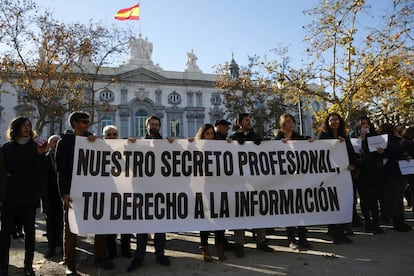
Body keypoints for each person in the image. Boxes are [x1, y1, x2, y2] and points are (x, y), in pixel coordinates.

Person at [56, 111, 114, 275]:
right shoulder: (65, 142)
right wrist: (64, 193)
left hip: (95, 190)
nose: (87, 124)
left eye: (88, 122)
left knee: (100, 223)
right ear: (75, 123)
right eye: (84, 122)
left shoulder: (94, 140)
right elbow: (61, 170)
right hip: (73, 191)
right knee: (71, 228)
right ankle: (70, 263)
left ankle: (100, 257)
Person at [0, 117, 48, 276]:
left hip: (29, 196)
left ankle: (28, 266)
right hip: (9, 198)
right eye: (23, 125)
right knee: (5, 234)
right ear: (16, 128)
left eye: (29, 125)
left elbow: (40, 171)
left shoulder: (35, 147)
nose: (27, 128)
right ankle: (3, 268)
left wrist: (41, 155)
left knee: (30, 234)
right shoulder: (6, 148)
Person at [127, 115, 171, 272]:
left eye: (156, 124)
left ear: (159, 126)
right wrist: (130, 146)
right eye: (151, 124)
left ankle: (160, 254)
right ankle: (139, 256)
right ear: (146, 126)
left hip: (160, 189)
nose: (154, 126)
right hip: (141, 188)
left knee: (160, 224)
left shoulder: (166, 143)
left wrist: (176, 144)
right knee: (141, 225)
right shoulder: (138, 144)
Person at [228, 113, 274, 257]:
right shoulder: (233, 137)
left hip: (255, 182)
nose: (249, 122)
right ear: (239, 123)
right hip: (239, 182)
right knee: (240, 212)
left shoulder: (255, 136)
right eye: (246, 120)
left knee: (259, 210)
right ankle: (239, 244)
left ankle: (261, 241)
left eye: (249, 120)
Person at [273, 113, 313, 249]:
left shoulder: (298, 137)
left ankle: (303, 238)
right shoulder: (277, 138)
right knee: (289, 209)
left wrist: (311, 141)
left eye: (292, 122)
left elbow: (307, 141)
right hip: (284, 180)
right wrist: (279, 144)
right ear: (283, 124)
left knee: (300, 209)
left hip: (298, 179)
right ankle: (291, 239)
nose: (291, 124)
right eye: (288, 122)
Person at [191, 124, 227, 262]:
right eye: (207, 134)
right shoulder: (196, 147)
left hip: (218, 187)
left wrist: (229, 143)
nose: (210, 136)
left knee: (219, 218)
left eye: (212, 133)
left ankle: (219, 247)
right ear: (202, 135)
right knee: (205, 219)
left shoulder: (219, 147)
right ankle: (204, 248)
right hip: (203, 188)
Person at [318, 112, 356, 244]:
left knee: (343, 202)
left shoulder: (345, 136)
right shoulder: (323, 136)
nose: (334, 122)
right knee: (332, 202)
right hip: (330, 176)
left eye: (336, 120)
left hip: (343, 175)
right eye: (331, 120)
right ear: (327, 123)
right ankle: (333, 232)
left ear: (340, 122)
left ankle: (342, 232)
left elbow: (351, 154)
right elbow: (319, 153)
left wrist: (352, 165)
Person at [101, 125, 132, 259]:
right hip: (107, 192)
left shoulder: (124, 148)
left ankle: (126, 249)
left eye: (114, 134)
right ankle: (112, 250)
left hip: (124, 192)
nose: (112, 137)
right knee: (109, 224)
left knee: (126, 222)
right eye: (109, 134)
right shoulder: (98, 149)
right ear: (104, 137)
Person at [351, 116, 384, 234]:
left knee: (374, 199)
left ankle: (376, 224)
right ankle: (368, 223)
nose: (365, 126)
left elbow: (380, 157)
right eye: (362, 124)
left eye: (367, 124)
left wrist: (380, 152)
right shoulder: (354, 138)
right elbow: (352, 157)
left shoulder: (374, 138)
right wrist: (361, 143)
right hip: (361, 174)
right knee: (365, 199)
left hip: (374, 172)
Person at [377, 123, 411, 232]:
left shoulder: (390, 139)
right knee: (396, 197)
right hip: (393, 171)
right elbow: (396, 151)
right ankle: (398, 221)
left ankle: (398, 220)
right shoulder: (389, 140)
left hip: (394, 170)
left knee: (397, 197)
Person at [43, 134, 64, 258]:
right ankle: (51, 248)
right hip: (49, 196)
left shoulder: (66, 158)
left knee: (63, 223)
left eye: (58, 141)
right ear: (50, 144)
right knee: (50, 222)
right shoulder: (44, 158)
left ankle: (63, 247)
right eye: (54, 142)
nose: (56, 144)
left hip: (63, 195)